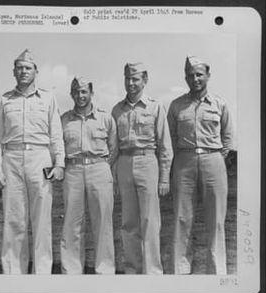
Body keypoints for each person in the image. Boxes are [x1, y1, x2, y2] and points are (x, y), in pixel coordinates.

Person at [0, 49, 65, 274]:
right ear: (14, 71)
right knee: (14, 220)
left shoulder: (48, 98)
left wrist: (59, 163)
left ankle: (41, 275)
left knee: (42, 221)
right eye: (19, 68)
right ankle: (14, 275)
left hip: (40, 159)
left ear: (36, 71)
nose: (23, 72)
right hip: (11, 159)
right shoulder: (3, 100)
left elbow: (56, 134)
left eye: (28, 68)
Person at [167, 56, 234, 274]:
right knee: (181, 218)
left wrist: (215, 157)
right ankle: (180, 272)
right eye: (190, 75)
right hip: (184, 162)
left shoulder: (220, 104)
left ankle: (216, 272)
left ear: (208, 75)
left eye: (198, 74)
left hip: (213, 161)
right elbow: (171, 138)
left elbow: (227, 137)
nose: (194, 79)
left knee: (215, 220)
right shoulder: (177, 106)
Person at [112, 62, 173, 274]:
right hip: (124, 164)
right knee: (128, 222)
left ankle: (153, 272)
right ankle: (132, 270)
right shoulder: (116, 110)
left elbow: (165, 145)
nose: (131, 83)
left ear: (144, 80)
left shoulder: (155, 108)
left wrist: (164, 177)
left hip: (148, 162)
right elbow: (112, 149)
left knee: (150, 220)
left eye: (135, 79)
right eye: (127, 78)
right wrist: (113, 178)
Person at [60, 77, 117, 274]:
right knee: (72, 222)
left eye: (84, 92)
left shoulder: (105, 118)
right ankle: (72, 271)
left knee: (102, 222)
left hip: (99, 168)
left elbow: (113, 148)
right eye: (76, 92)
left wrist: (101, 167)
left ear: (91, 93)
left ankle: (105, 271)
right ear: (71, 94)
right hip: (73, 170)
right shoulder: (64, 120)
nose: (80, 96)